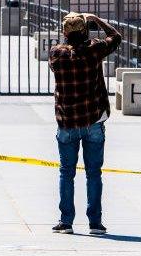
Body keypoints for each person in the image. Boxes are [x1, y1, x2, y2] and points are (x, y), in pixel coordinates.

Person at [48, 12, 122, 235]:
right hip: (93, 120)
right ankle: (95, 223)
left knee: (66, 173)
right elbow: (116, 36)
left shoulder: (56, 54)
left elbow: (63, 49)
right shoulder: (94, 50)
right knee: (93, 173)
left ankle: (66, 222)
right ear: (85, 31)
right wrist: (96, 19)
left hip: (67, 122)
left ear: (64, 33)